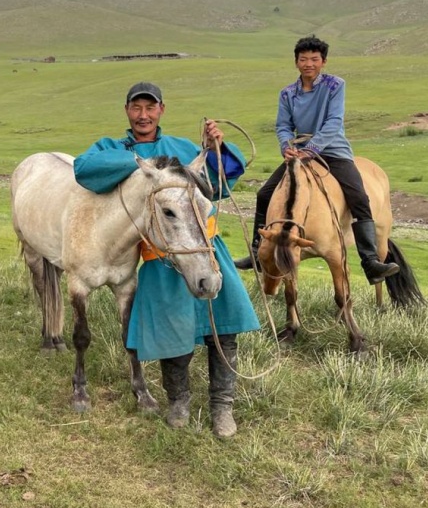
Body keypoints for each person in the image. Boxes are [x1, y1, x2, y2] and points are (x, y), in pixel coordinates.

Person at [72, 83, 260, 438]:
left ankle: (222, 407)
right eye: (136, 108)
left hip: (205, 247)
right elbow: (84, 168)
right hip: (160, 257)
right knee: (173, 331)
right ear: (127, 110)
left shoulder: (182, 148)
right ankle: (178, 402)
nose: (143, 115)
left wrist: (216, 148)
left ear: (161, 110)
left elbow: (220, 184)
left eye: (150, 108)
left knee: (223, 328)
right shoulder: (113, 148)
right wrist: (143, 165)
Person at [233, 35, 399, 284]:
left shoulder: (335, 85)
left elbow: (334, 122)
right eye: (303, 59)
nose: (308, 64)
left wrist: (311, 149)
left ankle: (370, 261)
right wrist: (286, 147)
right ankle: (258, 252)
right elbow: (283, 125)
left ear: (323, 62)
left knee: (359, 197)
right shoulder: (287, 93)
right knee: (264, 194)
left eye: (314, 59)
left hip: (334, 151)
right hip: (298, 153)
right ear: (296, 62)